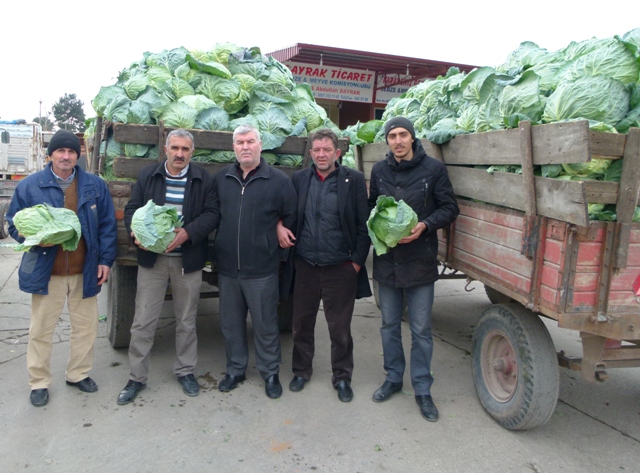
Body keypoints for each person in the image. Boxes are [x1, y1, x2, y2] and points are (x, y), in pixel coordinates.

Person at [7, 129, 117, 407]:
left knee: (86, 328)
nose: (66, 156)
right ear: (50, 155)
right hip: (47, 271)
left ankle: (78, 374)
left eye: (71, 152)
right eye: (61, 151)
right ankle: (39, 382)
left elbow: (107, 225)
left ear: (77, 156)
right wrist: (35, 237)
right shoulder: (31, 185)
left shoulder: (94, 185)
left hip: (85, 269)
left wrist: (105, 260)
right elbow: (13, 224)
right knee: (41, 329)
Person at [368, 117, 459, 422]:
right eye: (392, 136)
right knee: (389, 325)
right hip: (388, 261)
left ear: (412, 138)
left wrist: (424, 225)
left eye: (403, 135)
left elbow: (449, 208)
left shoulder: (433, 170)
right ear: (388, 140)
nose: (398, 141)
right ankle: (393, 378)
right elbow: (373, 208)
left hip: (420, 259)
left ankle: (422, 389)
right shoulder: (379, 170)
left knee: (421, 330)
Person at [117, 129, 217, 405]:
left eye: (185, 149)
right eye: (175, 148)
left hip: (188, 261)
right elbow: (132, 209)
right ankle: (136, 377)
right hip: (153, 260)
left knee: (186, 319)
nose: (179, 154)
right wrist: (136, 233)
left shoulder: (202, 179)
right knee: (143, 321)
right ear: (165, 149)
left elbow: (212, 214)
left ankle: (185, 371)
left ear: (192, 152)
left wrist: (187, 233)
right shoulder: (149, 175)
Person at [278, 128, 371, 402]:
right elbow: (287, 213)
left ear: (337, 153)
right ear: (311, 154)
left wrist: (355, 263)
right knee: (302, 324)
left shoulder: (351, 180)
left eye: (326, 150)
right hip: (305, 265)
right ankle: (301, 371)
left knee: (339, 328)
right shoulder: (299, 179)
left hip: (340, 267)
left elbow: (363, 226)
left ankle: (342, 376)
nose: (321, 154)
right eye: (317, 150)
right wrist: (278, 227)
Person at [211, 124, 297, 399]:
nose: (245, 146)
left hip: (262, 268)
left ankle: (270, 372)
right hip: (227, 268)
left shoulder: (278, 180)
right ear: (233, 147)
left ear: (261, 145)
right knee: (231, 324)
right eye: (239, 142)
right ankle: (236, 369)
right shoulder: (222, 178)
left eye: (250, 141)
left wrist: (280, 225)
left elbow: (292, 214)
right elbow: (212, 214)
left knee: (265, 324)